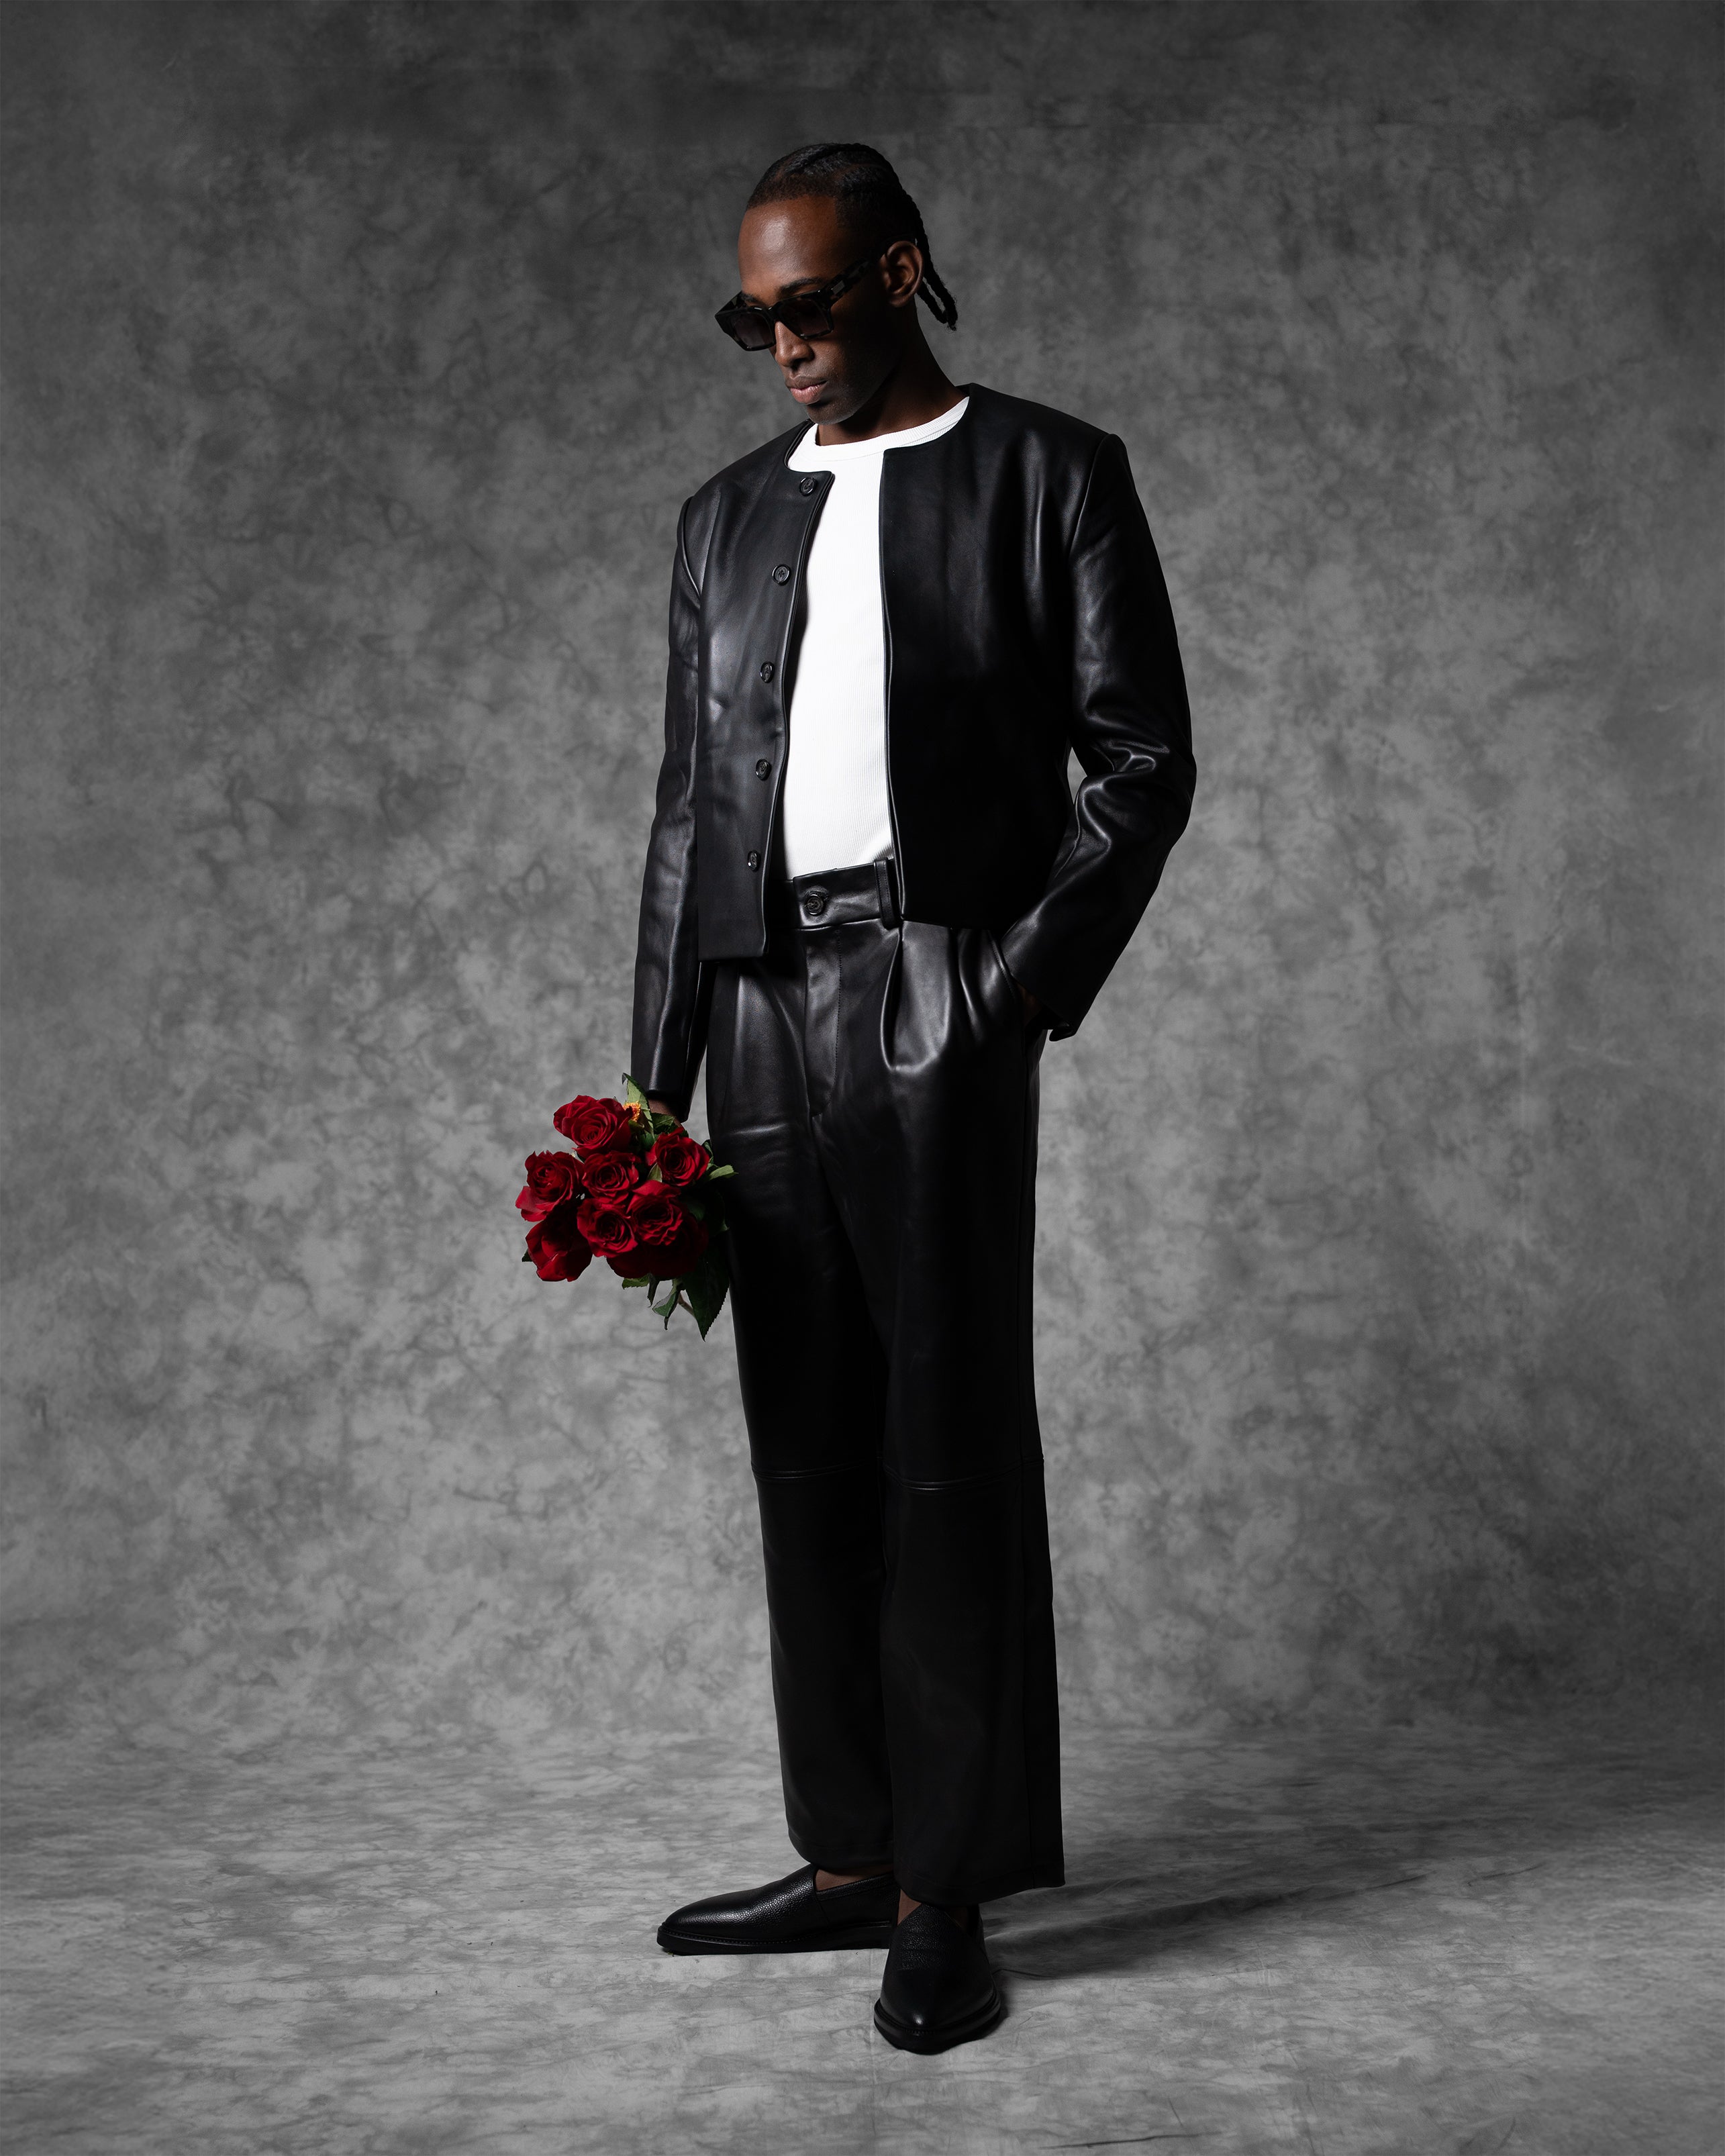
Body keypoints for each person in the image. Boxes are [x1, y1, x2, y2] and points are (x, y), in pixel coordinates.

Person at [630, 142, 1194, 2053]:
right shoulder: (721, 520)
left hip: (931, 988)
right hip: (756, 1003)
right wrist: (651, 1093)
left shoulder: (1048, 474)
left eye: (808, 304)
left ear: (899, 274)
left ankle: (946, 1887)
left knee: (942, 1442)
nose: (783, 344)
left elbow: (1140, 762)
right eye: (753, 319)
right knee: (803, 1446)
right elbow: (684, 811)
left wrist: (1003, 992)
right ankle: (853, 1851)